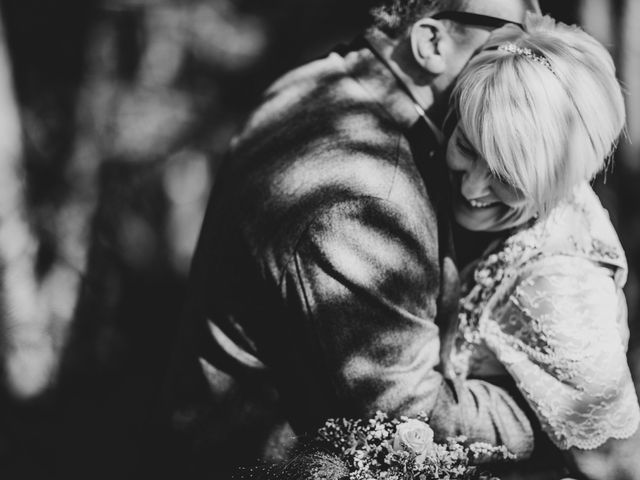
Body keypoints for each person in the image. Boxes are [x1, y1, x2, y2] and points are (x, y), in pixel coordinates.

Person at [156, 1, 543, 478]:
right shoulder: (365, 192)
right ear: (432, 42)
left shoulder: (322, 81)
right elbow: (407, 420)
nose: (531, 49)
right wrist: (543, 411)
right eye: (515, 32)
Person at [442, 14, 640, 479]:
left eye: (506, 177)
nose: (471, 186)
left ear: (560, 182)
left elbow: (611, 460)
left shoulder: (561, 287)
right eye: (467, 147)